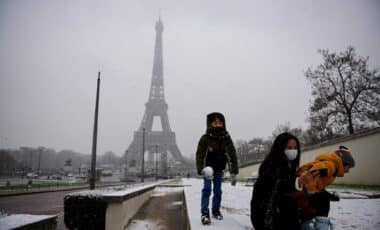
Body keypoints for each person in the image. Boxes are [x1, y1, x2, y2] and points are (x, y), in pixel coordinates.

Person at [250, 132, 316, 230]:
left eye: (295, 148)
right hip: (266, 217)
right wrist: (298, 182)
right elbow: (276, 186)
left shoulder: (291, 166)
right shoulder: (270, 166)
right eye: (289, 148)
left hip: (280, 213)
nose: (293, 151)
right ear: (280, 148)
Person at [296, 145, 355, 230]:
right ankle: (318, 226)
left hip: (304, 188)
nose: (348, 171)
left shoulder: (333, 168)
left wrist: (327, 194)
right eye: (348, 167)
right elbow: (313, 173)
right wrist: (311, 191)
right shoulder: (331, 166)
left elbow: (318, 183)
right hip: (301, 188)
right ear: (343, 162)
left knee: (323, 199)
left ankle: (313, 224)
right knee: (322, 202)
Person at [195, 112, 239, 225]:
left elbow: (232, 153)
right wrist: (201, 169)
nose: (218, 124)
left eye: (220, 122)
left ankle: (215, 210)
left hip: (219, 169)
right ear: (210, 124)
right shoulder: (205, 138)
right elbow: (200, 154)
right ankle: (204, 213)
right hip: (208, 169)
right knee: (207, 189)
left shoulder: (226, 138)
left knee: (218, 191)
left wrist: (233, 171)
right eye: (215, 122)